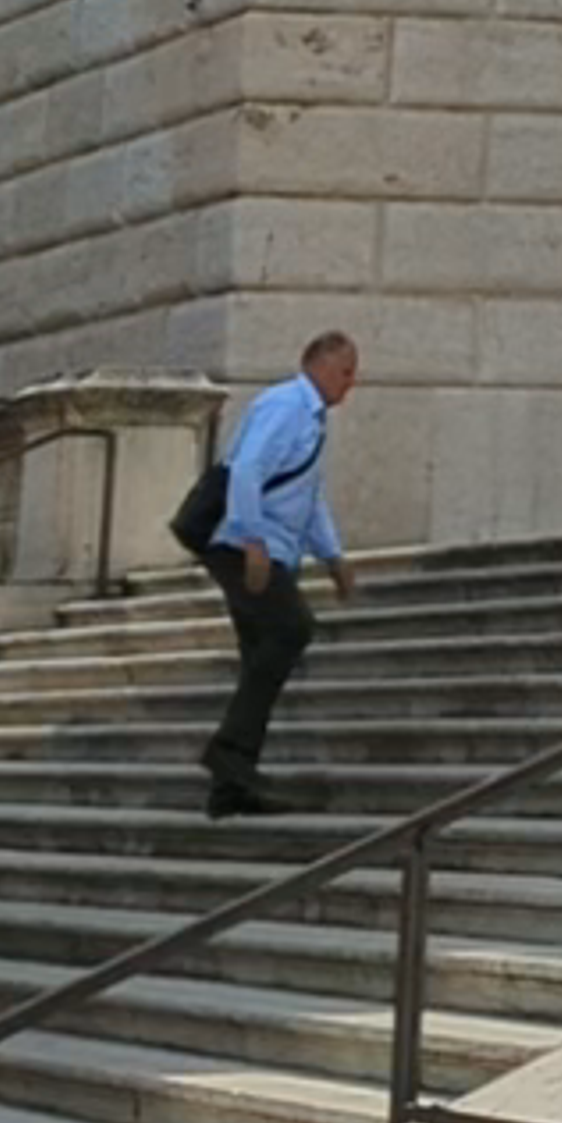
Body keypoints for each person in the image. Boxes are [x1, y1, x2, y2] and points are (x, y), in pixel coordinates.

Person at [196, 322, 359, 818]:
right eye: (347, 372)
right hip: (245, 550)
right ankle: (228, 751)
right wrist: (253, 542)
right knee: (292, 630)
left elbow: (306, 497)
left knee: (261, 654)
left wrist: (332, 557)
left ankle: (231, 787)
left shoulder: (310, 419)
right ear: (322, 364)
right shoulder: (286, 406)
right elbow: (247, 470)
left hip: (267, 550)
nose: (351, 384)